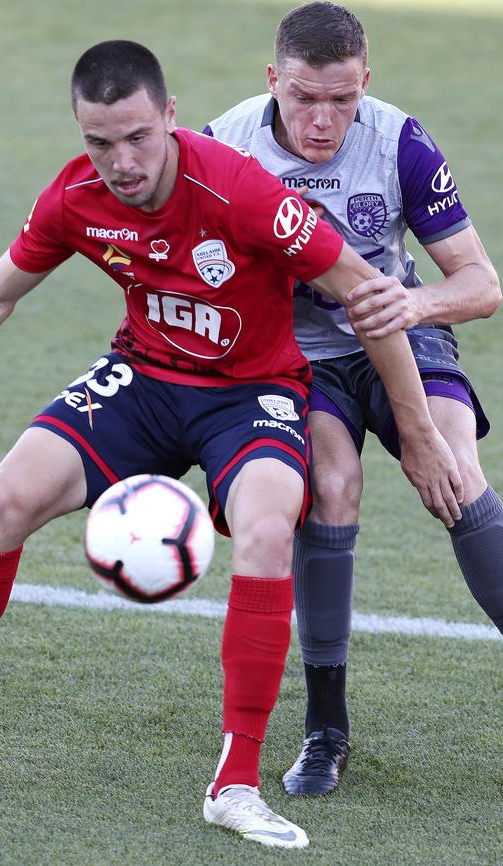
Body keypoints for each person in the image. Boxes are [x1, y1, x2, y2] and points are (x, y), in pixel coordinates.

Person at [0, 40, 462, 850]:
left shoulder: (245, 194)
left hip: (253, 395)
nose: (122, 161)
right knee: (0, 501)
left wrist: (415, 426)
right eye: (100, 142)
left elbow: (367, 294)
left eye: (138, 137)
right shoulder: (76, 196)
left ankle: (236, 782)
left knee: (270, 521)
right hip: (142, 380)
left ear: (170, 118)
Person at [205, 1, 502, 797]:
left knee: (454, 472)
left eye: (342, 99)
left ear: (365, 83)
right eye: (304, 98)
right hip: (296, 357)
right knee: (331, 488)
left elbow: (481, 284)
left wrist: (415, 306)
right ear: (273, 80)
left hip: (402, 334)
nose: (323, 119)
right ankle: (325, 732)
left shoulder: (399, 140)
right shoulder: (222, 146)